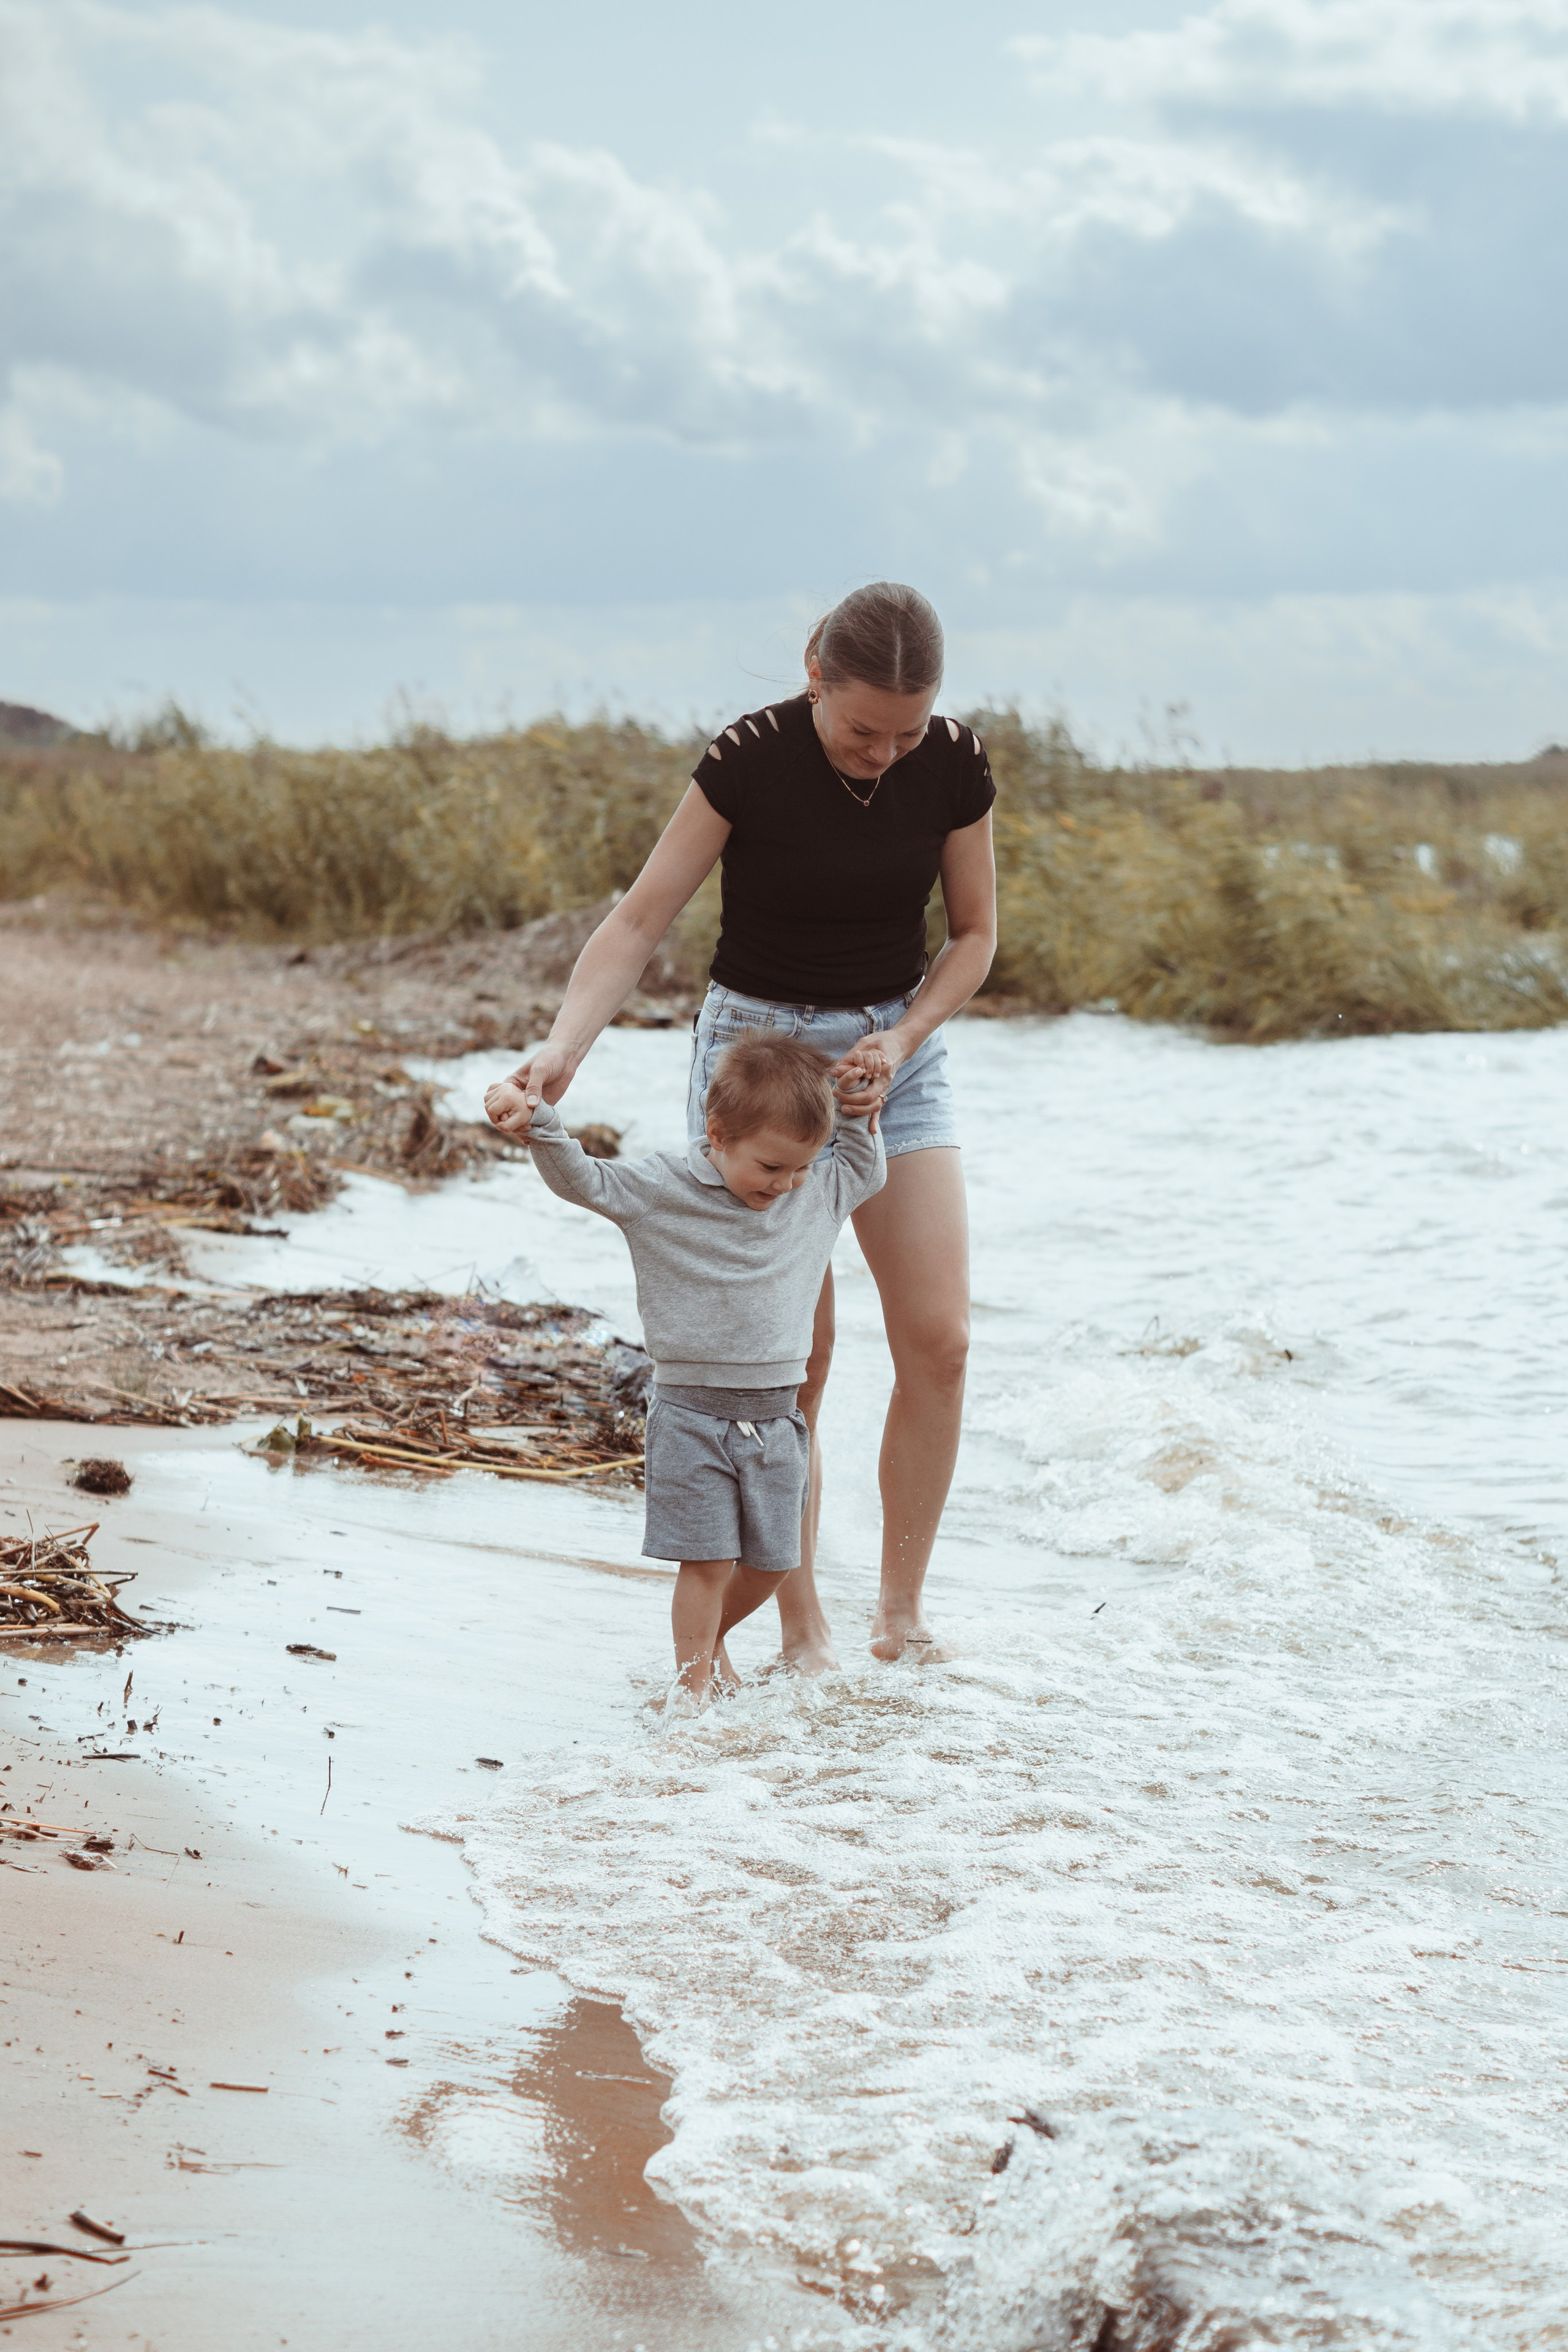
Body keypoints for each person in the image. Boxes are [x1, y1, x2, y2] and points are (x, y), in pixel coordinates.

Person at [484, 580, 997, 1668]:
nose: (886, 753)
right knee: (792, 1359)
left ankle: (900, 1616)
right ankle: (800, 1622)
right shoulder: (748, 758)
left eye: (907, 731)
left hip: (895, 1053)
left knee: (942, 1341)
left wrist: (899, 1043)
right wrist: (564, 1049)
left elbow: (974, 939)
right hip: (758, 1058)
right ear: (815, 675)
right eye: (864, 729)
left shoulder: (952, 761)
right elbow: (639, 918)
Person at [507, 1030, 884, 1702]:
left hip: (776, 1420)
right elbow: (584, 1180)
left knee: (774, 1564)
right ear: (716, 1133)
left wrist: (858, 1115)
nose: (788, 1183)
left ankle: (708, 1643)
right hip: (689, 1414)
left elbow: (862, 1170)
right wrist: (542, 1123)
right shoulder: (662, 1188)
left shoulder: (813, 1191)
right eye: (771, 1167)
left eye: (800, 1167)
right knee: (706, 1563)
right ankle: (691, 1694)